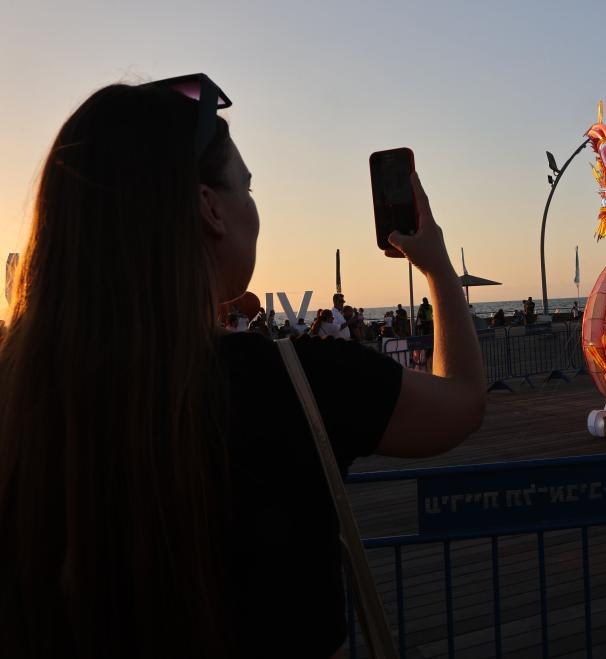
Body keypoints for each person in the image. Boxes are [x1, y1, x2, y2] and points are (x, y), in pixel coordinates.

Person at [0, 77, 485, 658]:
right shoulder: (283, 382)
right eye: (246, 188)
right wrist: (436, 266)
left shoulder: (18, 394)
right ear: (210, 208)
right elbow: (460, 400)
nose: (254, 209)